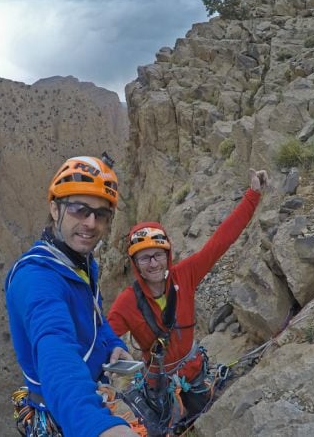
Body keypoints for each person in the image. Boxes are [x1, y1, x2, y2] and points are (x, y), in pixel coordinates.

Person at [107, 168, 269, 432]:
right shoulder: (127, 303)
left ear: (167, 255)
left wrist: (252, 195)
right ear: (135, 264)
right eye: (144, 258)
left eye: (158, 255)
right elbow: (103, 337)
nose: (153, 264)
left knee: (202, 413)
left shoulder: (185, 275)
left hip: (194, 372)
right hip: (159, 385)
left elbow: (220, 241)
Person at [5, 154, 139, 437]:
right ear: (55, 209)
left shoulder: (81, 263)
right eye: (79, 209)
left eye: (101, 214)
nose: (91, 223)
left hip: (87, 398)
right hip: (67, 415)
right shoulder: (37, 277)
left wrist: (113, 343)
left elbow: (95, 319)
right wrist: (97, 426)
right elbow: (56, 349)